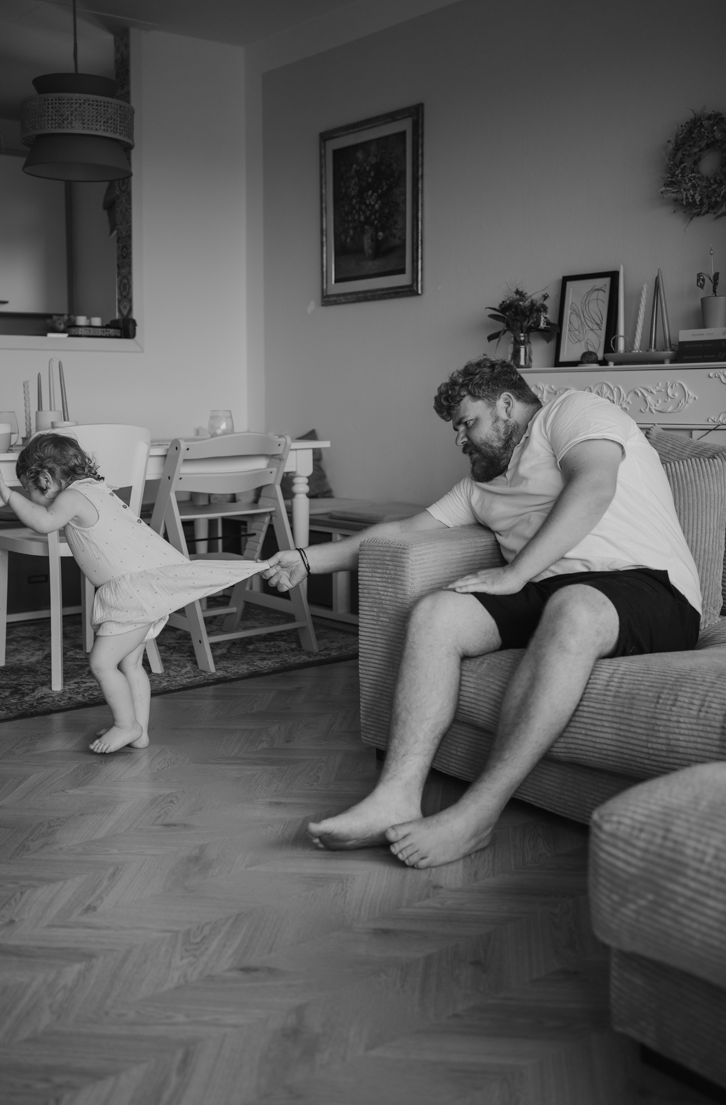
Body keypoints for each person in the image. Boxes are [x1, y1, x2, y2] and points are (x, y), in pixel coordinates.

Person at [263, 356, 701, 868]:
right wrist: (305, 560)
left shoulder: (572, 413)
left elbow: (594, 486)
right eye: (456, 429)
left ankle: (478, 814)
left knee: (574, 606)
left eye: (467, 423)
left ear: (507, 406)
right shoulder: (480, 486)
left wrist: (514, 575)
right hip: (552, 589)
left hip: (647, 585)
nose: (460, 439)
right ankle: (395, 798)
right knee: (435, 614)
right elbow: (403, 532)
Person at [0, 432, 266, 754]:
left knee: (101, 663)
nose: (32, 499)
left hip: (132, 593)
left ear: (44, 478)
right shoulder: (95, 489)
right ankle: (138, 731)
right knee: (130, 665)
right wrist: (20, 497)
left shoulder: (70, 498)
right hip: (141, 588)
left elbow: (43, 523)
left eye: (30, 491)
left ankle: (125, 725)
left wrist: (10, 497)